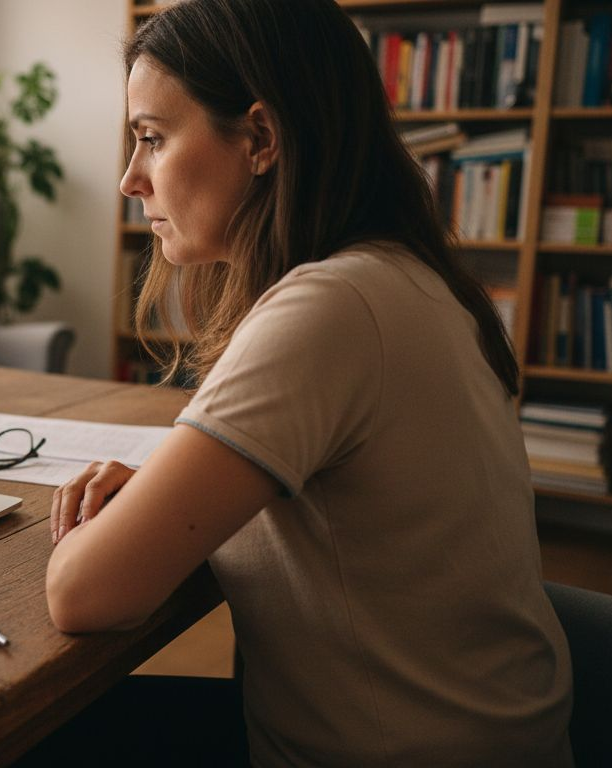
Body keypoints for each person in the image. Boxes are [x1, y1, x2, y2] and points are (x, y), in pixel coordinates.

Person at [36, 0, 573, 765]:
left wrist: (99, 534)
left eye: (152, 139)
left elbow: (82, 593)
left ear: (260, 138)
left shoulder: (331, 309)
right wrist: (169, 497)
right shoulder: (398, 276)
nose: (129, 180)